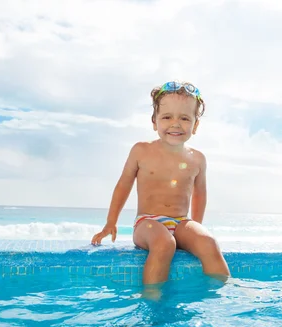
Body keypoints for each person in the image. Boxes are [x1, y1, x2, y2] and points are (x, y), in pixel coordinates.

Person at [91, 81, 231, 285]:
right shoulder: (141, 151)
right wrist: (111, 222)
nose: (175, 123)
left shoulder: (198, 159)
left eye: (184, 118)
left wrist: (194, 230)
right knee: (164, 243)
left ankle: (224, 291)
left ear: (195, 125)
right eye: (167, 117)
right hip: (147, 223)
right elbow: (123, 185)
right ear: (155, 122)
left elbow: (200, 194)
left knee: (208, 243)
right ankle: (152, 299)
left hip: (181, 222)